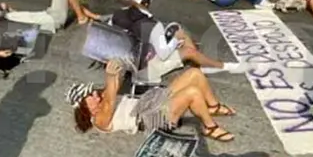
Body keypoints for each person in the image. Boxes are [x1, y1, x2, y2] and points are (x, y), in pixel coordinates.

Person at [67, 60, 236, 141]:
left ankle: (213, 107)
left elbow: (115, 84)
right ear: (84, 106)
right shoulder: (99, 120)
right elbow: (111, 98)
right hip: (149, 118)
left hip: (149, 101)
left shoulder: (100, 99)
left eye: (93, 93)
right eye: (91, 96)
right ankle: (209, 127)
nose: (96, 95)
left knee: (194, 74)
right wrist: (110, 75)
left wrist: (118, 64)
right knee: (192, 93)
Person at [110, 0, 244, 76]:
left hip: (126, 57)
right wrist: (175, 39)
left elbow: (112, 32)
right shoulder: (151, 25)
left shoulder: (117, 14)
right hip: (146, 66)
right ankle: (218, 66)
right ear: (147, 3)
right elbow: (163, 54)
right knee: (188, 48)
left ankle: (199, 63)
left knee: (175, 28)